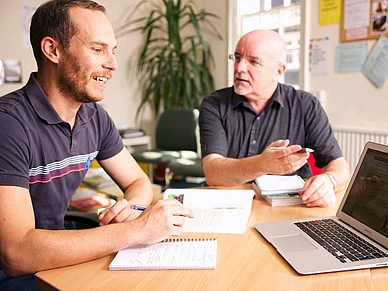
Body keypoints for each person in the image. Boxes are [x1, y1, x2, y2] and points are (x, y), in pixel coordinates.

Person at [0, 1, 193, 289]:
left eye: (112, 50)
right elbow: (16, 255)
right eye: (97, 49)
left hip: (57, 261)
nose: (112, 64)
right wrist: (136, 229)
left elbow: (139, 181)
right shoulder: (9, 123)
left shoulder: (93, 116)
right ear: (53, 50)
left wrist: (130, 208)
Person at [199, 29, 351, 208]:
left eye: (253, 61)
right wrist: (262, 164)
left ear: (279, 71)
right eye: (238, 57)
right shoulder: (214, 104)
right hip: (228, 205)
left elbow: (338, 165)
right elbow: (213, 172)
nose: (239, 68)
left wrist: (329, 181)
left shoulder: (305, 105)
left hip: (288, 207)